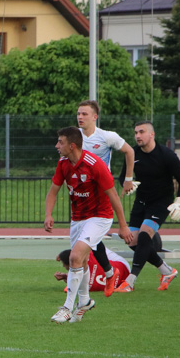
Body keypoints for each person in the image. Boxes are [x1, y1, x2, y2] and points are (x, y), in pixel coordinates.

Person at [44, 126, 132, 323]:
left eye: (61, 142)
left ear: (72, 145)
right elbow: (53, 191)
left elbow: (113, 196)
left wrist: (123, 225)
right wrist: (48, 214)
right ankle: (84, 301)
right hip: (78, 218)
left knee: (75, 256)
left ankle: (67, 307)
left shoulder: (95, 164)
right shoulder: (63, 163)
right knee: (80, 261)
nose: (57, 145)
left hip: (99, 216)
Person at [114, 121, 180, 293]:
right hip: (141, 202)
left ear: (152, 134)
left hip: (161, 203)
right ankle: (167, 271)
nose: (138, 136)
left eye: (142, 132)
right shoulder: (132, 153)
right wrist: (129, 184)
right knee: (132, 241)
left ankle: (129, 282)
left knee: (145, 237)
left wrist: (179, 202)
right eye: (136, 132)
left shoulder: (167, 155)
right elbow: (123, 177)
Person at [76, 100, 136, 296]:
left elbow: (129, 151)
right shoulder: (74, 137)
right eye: (78, 113)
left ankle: (82, 287)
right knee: (85, 238)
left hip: (101, 192)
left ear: (95, 117)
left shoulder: (107, 136)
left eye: (84, 114)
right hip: (81, 193)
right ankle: (107, 274)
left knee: (88, 237)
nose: (80, 117)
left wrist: (128, 179)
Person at [54, 247, 130, 292]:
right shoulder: (89, 254)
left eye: (64, 264)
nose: (64, 266)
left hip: (123, 278)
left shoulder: (82, 283)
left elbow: (70, 286)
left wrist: (67, 277)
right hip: (124, 269)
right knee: (94, 246)